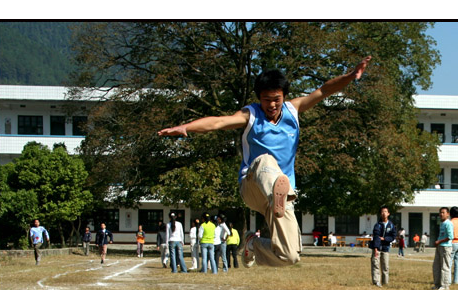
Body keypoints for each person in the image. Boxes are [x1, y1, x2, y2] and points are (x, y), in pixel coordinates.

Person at [158, 55, 371, 269]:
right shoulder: (250, 115)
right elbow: (220, 122)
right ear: (259, 98)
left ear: (284, 96)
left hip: (280, 197)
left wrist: (351, 75)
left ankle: (254, 244)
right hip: (253, 186)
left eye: (276, 99)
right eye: (266, 99)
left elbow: (324, 90)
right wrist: (188, 127)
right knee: (265, 159)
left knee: (290, 256)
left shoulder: (293, 110)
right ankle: (276, 194)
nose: (271, 104)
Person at [370, 205, 397, 287]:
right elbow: (376, 237)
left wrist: (385, 239)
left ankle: (385, 282)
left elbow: (393, 236)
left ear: (388, 213)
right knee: (376, 264)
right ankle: (376, 282)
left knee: (385, 266)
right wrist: (375, 248)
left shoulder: (391, 225)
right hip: (377, 248)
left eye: (385, 212)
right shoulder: (377, 225)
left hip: (386, 248)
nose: (383, 213)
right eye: (382, 212)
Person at [432, 207, 453, 290]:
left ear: (448, 214)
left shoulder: (449, 223)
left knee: (445, 266)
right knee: (436, 266)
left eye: (443, 212)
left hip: (446, 247)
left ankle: (445, 285)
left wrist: (439, 241)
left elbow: (450, 236)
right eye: (440, 212)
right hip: (440, 246)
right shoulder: (441, 223)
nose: (441, 214)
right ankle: (437, 284)